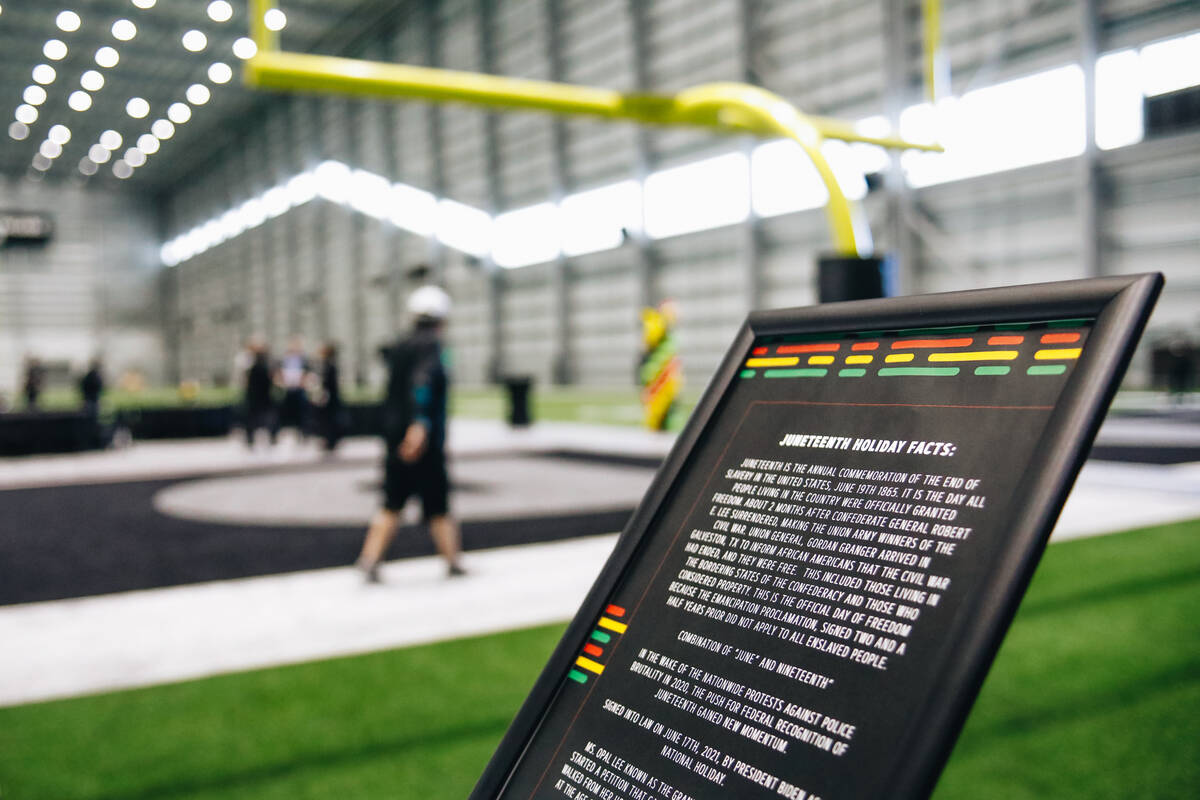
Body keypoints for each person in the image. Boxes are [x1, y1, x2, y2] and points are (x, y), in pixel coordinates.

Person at [356, 285, 465, 581]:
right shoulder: (432, 346)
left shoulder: (401, 346)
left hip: (396, 440)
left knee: (392, 501)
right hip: (422, 443)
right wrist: (419, 427)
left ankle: (370, 560)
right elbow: (422, 384)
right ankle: (453, 561)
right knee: (438, 504)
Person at [243, 340, 277, 448]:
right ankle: (252, 438)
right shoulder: (252, 364)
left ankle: (269, 436)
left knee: (266, 417)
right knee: (255, 418)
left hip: (262, 395)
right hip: (256, 395)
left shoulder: (264, 364)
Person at [276, 335, 311, 440]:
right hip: (288, 389)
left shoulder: (303, 359)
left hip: (299, 389)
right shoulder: (285, 359)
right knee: (286, 412)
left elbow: (308, 373)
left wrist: (303, 381)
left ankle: (302, 432)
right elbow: (279, 373)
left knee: (302, 413)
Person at [316, 341, 344, 452]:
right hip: (331, 397)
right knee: (328, 421)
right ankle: (330, 440)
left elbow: (329, 384)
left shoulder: (330, 366)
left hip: (330, 398)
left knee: (330, 421)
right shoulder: (329, 365)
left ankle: (331, 441)